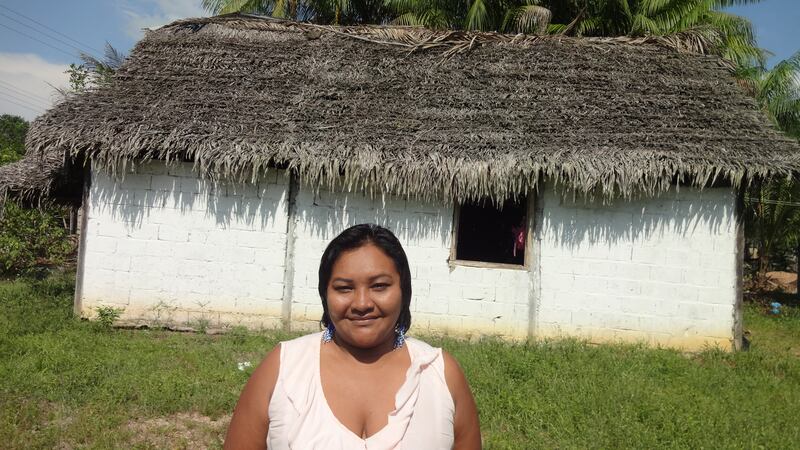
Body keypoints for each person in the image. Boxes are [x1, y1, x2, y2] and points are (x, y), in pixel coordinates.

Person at [224, 224, 482, 449]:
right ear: (325, 294)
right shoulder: (283, 367)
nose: (361, 303)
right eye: (344, 288)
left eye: (379, 286)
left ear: (403, 290)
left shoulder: (439, 374)